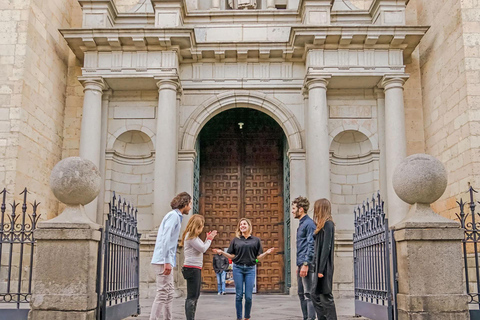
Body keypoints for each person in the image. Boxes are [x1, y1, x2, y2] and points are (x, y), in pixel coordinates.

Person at [213, 218, 275, 320]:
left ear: (249, 226)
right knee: (238, 295)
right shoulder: (235, 240)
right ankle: (239, 318)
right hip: (238, 268)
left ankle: (247, 317)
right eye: (241, 224)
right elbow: (232, 256)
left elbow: (257, 258)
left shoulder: (256, 240)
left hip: (250, 269)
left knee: (249, 297)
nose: (242, 226)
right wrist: (222, 252)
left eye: (244, 224)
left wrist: (266, 253)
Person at [150, 192, 192, 320]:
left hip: (167, 260)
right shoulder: (173, 216)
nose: (190, 207)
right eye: (190, 203)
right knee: (162, 293)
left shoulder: (176, 217)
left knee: (169, 294)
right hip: (163, 260)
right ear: (184, 204)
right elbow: (166, 239)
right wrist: (167, 261)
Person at [181, 214, 218, 320]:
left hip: (194, 268)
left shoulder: (193, 237)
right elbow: (203, 249)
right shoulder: (191, 236)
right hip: (192, 268)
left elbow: (201, 247)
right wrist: (210, 239)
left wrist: (207, 239)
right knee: (192, 297)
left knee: (195, 295)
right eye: (201, 227)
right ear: (196, 226)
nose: (202, 229)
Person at [312, 198, 337, 320]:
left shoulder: (328, 224)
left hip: (324, 266)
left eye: (317, 208)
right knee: (315, 294)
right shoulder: (321, 225)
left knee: (325, 296)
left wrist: (321, 270)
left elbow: (326, 247)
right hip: (318, 265)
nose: (315, 210)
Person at [292, 196, 317, 320]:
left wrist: (306, 263)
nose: (292, 211)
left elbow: (311, 244)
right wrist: (299, 264)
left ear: (300, 209)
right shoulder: (302, 224)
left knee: (308, 294)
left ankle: (310, 318)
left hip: (307, 263)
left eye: (294, 208)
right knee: (301, 293)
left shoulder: (309, 224)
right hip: (302, 263)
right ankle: (306, 317)